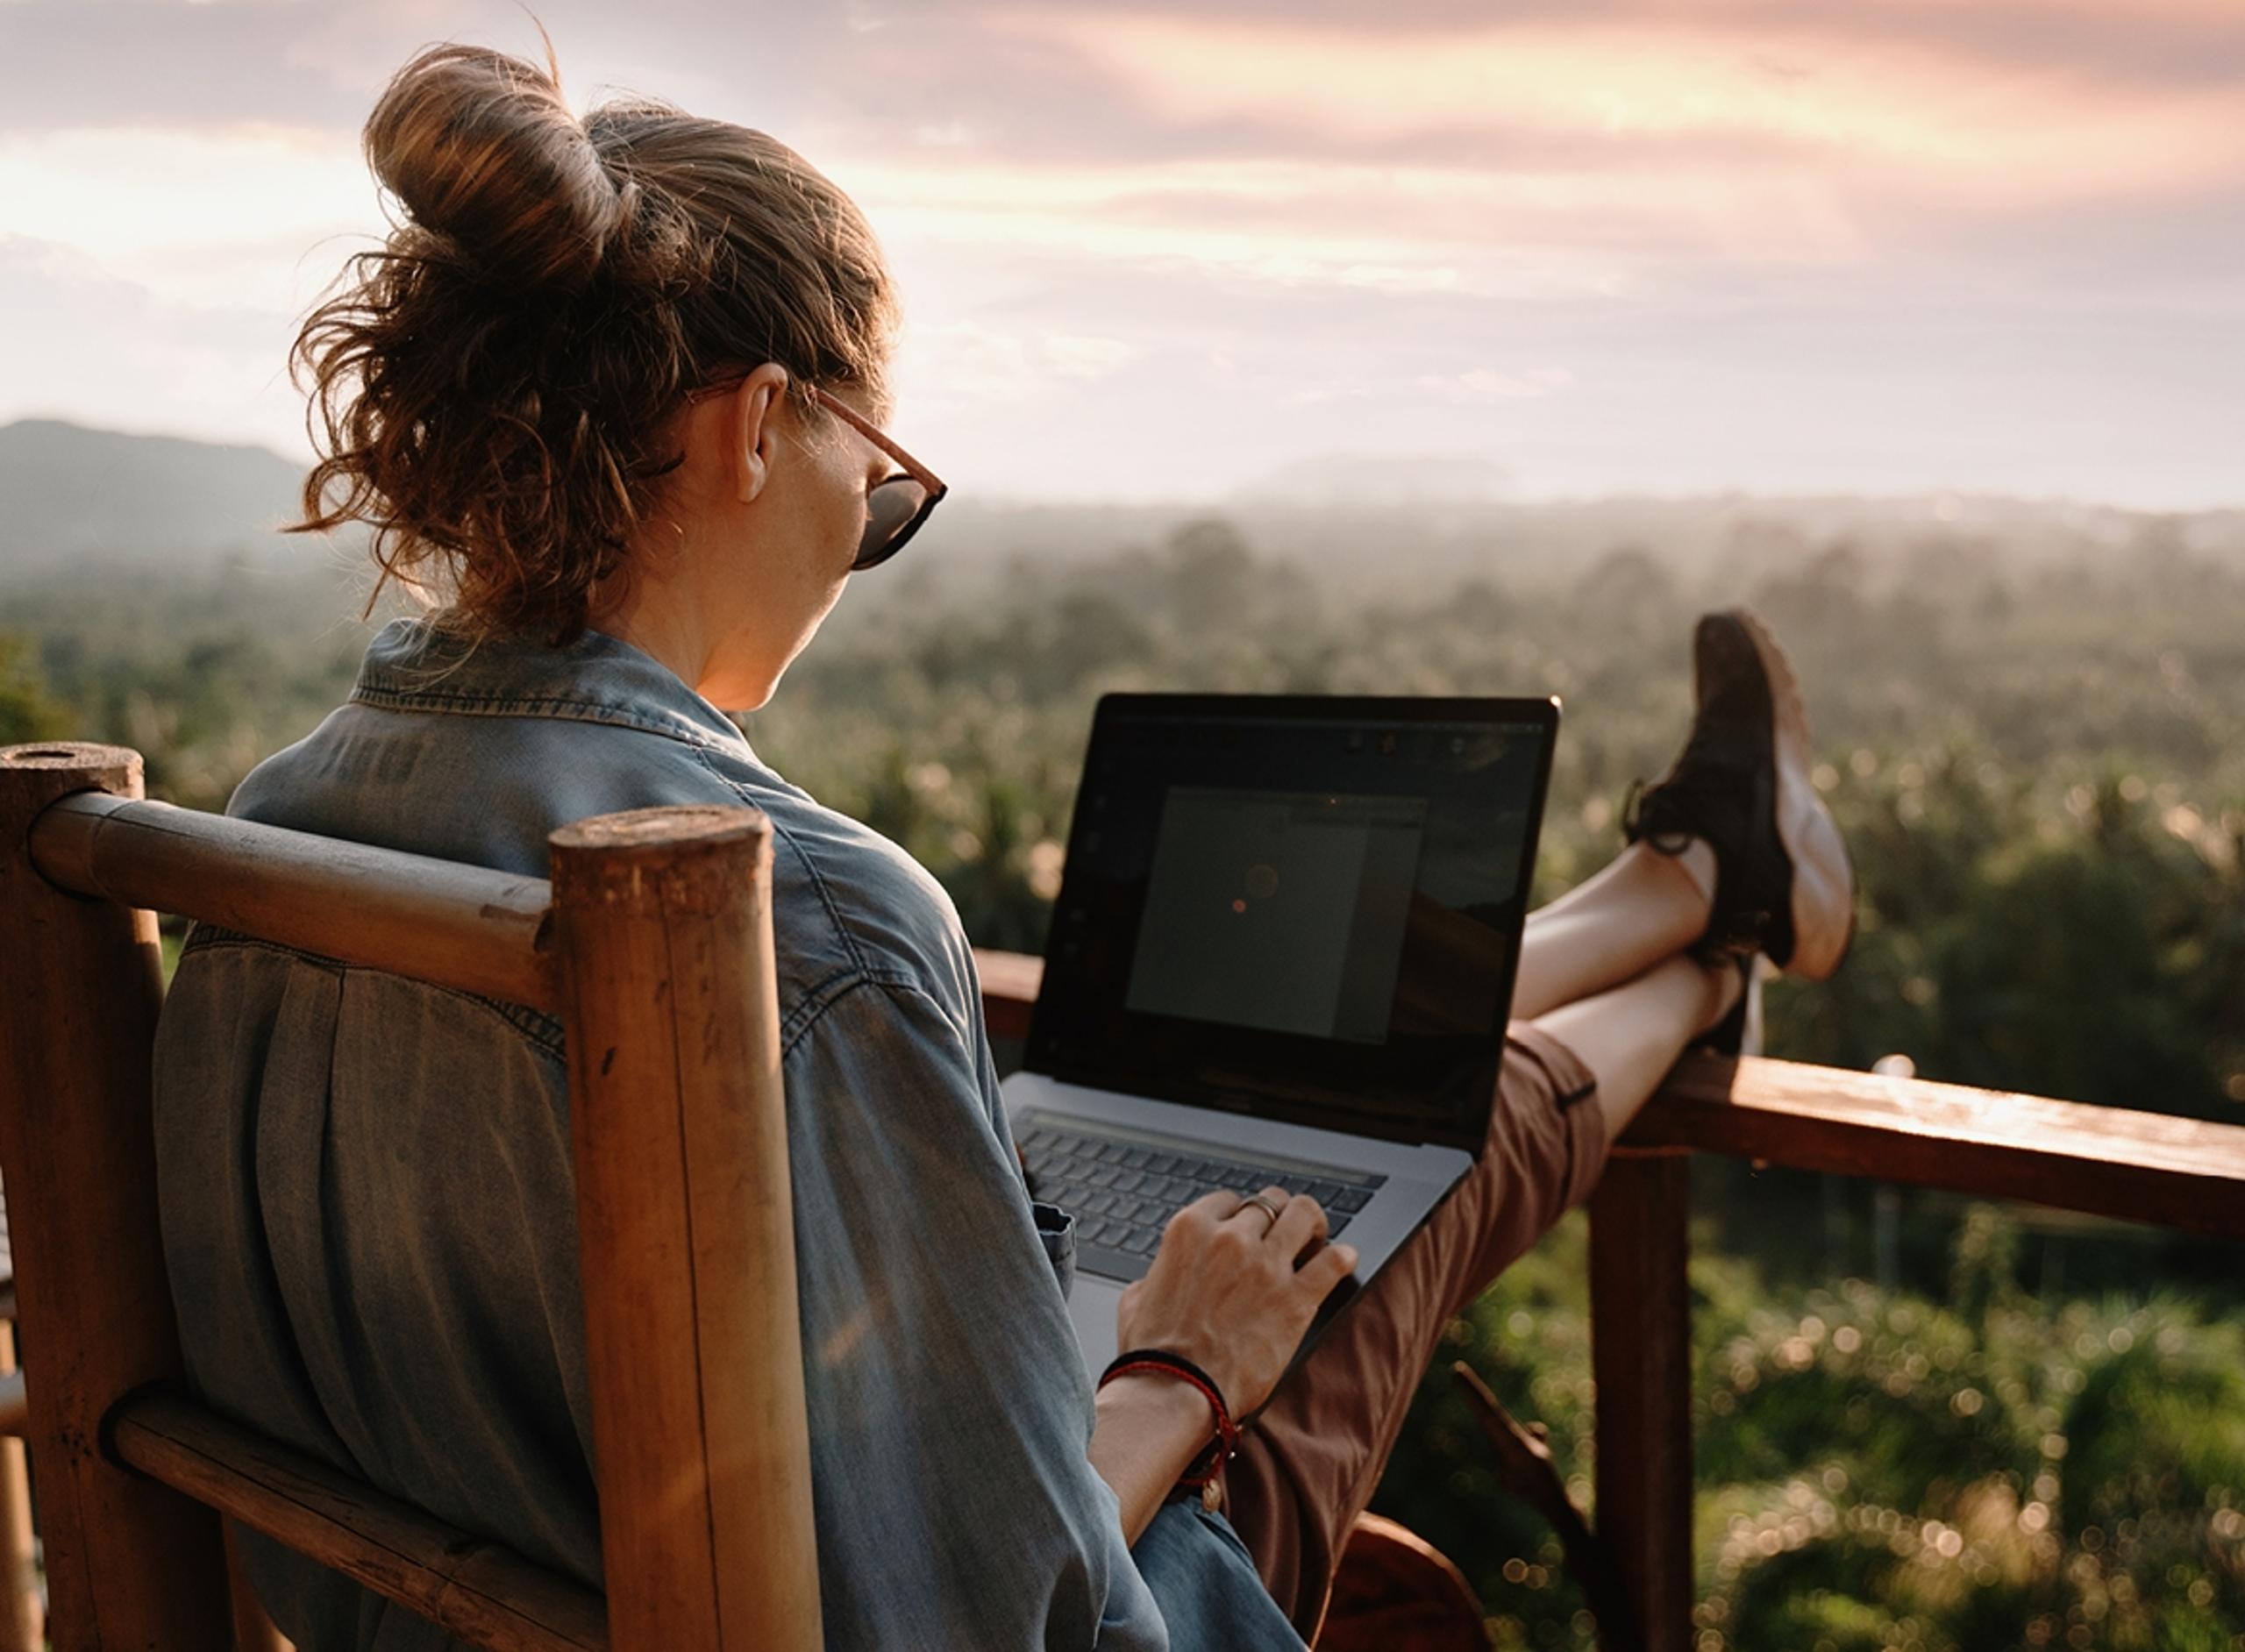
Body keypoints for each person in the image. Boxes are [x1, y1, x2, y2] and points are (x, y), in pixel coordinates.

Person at [148, 38, 1856, 1652]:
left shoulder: (270, 834)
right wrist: (1182, 1368)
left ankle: (1693, 889)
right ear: (754, 427)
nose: (859, 542)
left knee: (1331, 1110)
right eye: (879, 489)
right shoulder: (794, 914)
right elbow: (997, 1618)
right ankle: (1710, 931)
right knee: (1399, 1169)